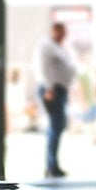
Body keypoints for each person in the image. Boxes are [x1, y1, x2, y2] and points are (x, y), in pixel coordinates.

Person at [36, 22, 77, 178]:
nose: (62, 35)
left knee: (58, 127)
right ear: (53, 31)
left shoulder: (59, 48)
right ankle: (51, 166)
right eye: (59, 32)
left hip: (59, 90)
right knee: (55, 126)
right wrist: (48, 88)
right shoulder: (46, 46)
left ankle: (53, 164)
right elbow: (43, 68)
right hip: (52, 90)